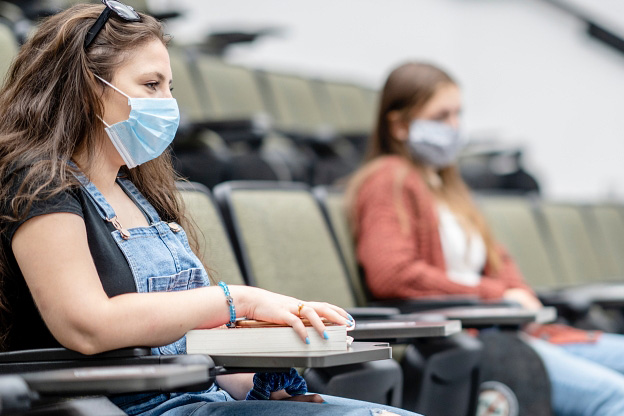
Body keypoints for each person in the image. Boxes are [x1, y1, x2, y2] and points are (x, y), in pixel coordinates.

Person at [0, 3, 420, 416]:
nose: (167, 103)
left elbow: (193, 344)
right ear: (90, 88)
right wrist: (237, 300)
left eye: (170, 87)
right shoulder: (38, 183)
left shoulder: (138, 193)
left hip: (199, 398)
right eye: (151, 85)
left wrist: (262, 387)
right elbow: (86, 325)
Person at [346, 61, 624, 416]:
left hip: (514, 331)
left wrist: (516, 294)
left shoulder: (449, 186)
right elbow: (392, 273)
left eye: (457, 114)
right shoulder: (388, 178)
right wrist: (498, 296)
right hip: (474, 341)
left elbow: (498, 261)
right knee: (617, 398)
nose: (454, 127)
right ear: (399, 125)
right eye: (441, 116)